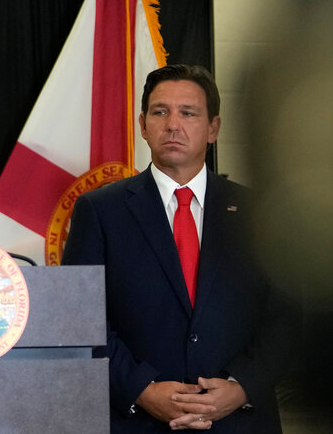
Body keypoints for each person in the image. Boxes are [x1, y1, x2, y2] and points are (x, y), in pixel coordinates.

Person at [62, 64, 300, 433]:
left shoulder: (262, 214)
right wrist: (141, 389)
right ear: (143, 125)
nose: (173, 124)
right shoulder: (99, 210)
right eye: (160, 112)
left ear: (213, 128)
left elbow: (287, 317)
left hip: (241, 421)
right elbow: (80, 318)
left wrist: (241, 387)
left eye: (188, 113)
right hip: (137, 422)